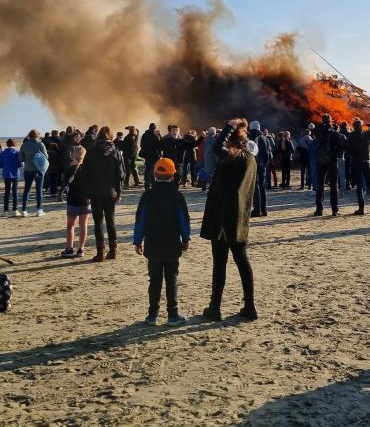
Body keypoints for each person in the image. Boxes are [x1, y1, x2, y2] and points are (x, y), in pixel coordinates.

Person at [200, 118, 258, 321]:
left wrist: (229, 127)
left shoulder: (235, 157)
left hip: (223, 218)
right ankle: (250, 307)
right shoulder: (250, 158)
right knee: (242, 261)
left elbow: (218, 147)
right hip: (239, 218)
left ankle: (215, 307)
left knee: (220, 263)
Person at [134, 157, 191, 326]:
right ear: (173, 175)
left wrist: (138, 241)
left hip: (153, 244)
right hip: (172, 243)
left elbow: (140, 220)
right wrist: (185, 238)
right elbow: (184, 220)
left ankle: (152, 315)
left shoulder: (147, 196)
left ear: (154, 174)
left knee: (155, 280)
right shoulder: (177, 196)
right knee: (171, 279)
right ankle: (173, 314)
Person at [82, 126, 125, 262]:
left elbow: (85, 174)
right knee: (110, 220)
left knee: (98, 222)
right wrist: (119, 192)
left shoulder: (91, 152)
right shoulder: (116, 152)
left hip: (95, 192)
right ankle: (113, 251)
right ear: (110, 137)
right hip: (110, 191)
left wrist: (87, 192)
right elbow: (121, 175)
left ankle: (100, 253)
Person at [346, 119, 370, 216]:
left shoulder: (351, 136)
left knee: (359, 186)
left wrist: (354, 156)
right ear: (361, 126)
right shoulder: (367, 133)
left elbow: (348, 150)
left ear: (354, 126)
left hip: (356, 162)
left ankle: (361, 209)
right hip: (366, 161)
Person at [61, 146, 90, 258]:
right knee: (83, 226)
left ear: (73, 155)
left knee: (70, 225)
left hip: (73, 200)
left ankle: (69, 248)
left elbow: (65, 183)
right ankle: (81, 249)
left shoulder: (69, 169)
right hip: (85, 200)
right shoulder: (87, 169)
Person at [312, 114, 343, 217]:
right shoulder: (334, 133)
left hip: (320, 161)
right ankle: (334, 210)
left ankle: (319, 209)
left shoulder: (318, 131)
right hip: (332, 161)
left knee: (320, 185)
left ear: (322, 121)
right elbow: (340, 147)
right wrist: (336, 155)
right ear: (330, 121)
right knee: (334, 185)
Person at [20, 130, 48, 217]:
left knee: (27, 190)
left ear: (29, 135)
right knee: (39, 190)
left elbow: (21, 158)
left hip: (28, 169)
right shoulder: (40, 144)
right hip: (39, 169)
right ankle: (39, 210)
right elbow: (46, 156)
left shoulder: (24, 144)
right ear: (38, 136)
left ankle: (24, 210)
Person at [249, 121, 271, 218]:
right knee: (263, 187)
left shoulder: (250, 138)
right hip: (263, 166)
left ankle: (257, 210)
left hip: (254, 165)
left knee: (255, 187)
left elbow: (250, 153)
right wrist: (265, 163)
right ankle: (264, 209)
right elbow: (269, 153)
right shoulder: (265, 138)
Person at [1, 139, 22, 217]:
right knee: (14, 192)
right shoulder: (17, 153)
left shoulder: (3, 153)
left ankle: (6, 211)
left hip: (6, 174)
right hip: (15, 174)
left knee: (6, 192)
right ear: (14, 144)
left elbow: (1, 164)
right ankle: (15, 210)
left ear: (7, 144)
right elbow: (21, 164)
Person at [140, 123, 161, 191]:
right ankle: (153, 184)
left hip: (147, 155)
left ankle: (147, 185)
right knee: (154, 170)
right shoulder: (156, 135)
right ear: (154, 128)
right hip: (154, 155)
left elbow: (141, 144)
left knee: (148, 170)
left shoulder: (144, 135)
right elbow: (159, 144)